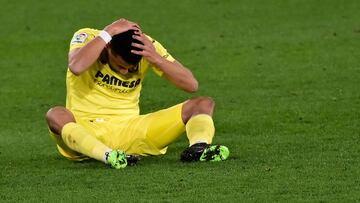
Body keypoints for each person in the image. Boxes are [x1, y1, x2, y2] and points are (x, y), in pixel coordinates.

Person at [45, 18, 229, 169]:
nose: (125, 72)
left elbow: (191, 84)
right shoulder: (89, 38)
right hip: (84, 132)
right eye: (120, 67)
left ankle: (198, 148)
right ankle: (107, 155)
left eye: (131, 68)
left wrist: (156, 58)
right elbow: (76, 66)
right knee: (56, 114)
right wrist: (107, 32)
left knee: (202, 104)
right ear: (108, 48)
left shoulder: (146, 46)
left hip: (131, 131)